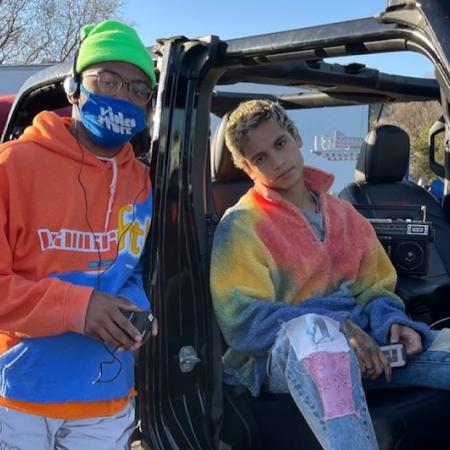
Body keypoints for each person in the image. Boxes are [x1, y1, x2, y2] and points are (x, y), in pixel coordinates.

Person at [210, 99, 450, 450]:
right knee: (318, 338)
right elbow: (244, 323)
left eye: (280, 144)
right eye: (260, 158)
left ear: (296, 136)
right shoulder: (241, 225)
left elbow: (376, 289)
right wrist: (340, 329)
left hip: (364, 344)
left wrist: (393, 324)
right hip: (279, 358)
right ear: (248, 168)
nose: (277, 161)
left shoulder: (344, 214)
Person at [0, 20, 157, 450]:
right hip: (18, 397)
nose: (122, 97)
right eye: (107, 80)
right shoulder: (11, 168)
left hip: (107, 401)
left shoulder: (142, 182)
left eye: (138, 89)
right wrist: (79, 307)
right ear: (74, 87)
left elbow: (132, 269)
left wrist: (136, 311)